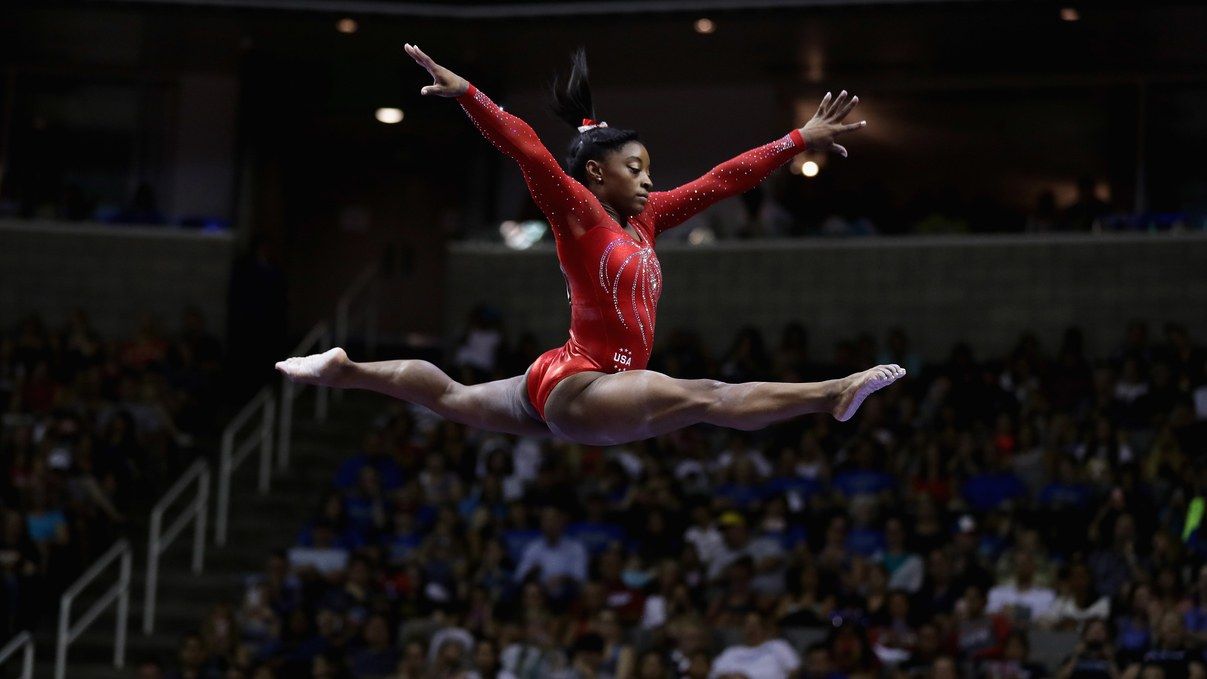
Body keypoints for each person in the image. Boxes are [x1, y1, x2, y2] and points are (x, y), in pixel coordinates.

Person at [276, 44, 904, 447]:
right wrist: (470, 95)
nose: (650, 180)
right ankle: (834, 392)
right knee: (707, 397)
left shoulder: (648, 219)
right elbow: (526, 147)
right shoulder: (578, 213)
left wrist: (797, 140)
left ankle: (343, 369)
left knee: (452, 398)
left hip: (566, 375)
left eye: (650, 168)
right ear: (598, 175)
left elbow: (721, 180)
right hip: (583, 386)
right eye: (637, 169)